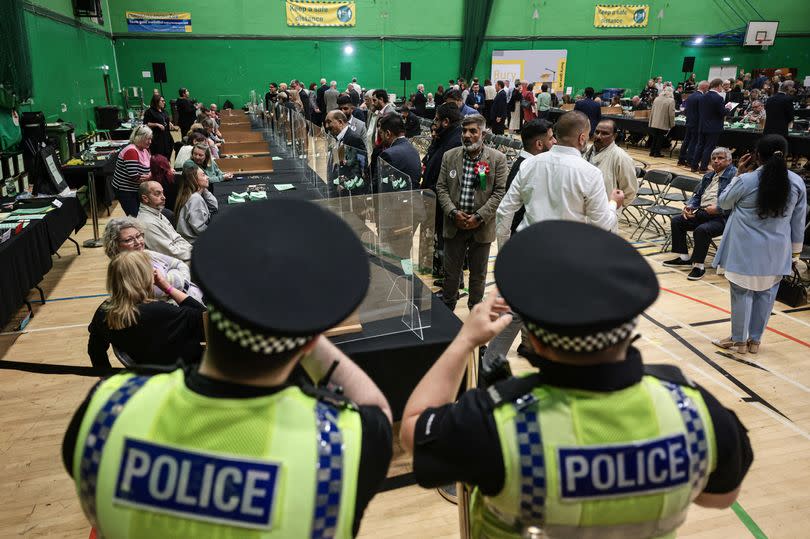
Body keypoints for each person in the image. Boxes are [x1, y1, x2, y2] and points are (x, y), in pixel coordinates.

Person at [400, 220, 754, 538]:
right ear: (629, 328)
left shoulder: (497, 426)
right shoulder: (696, 413)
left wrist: (465, 340)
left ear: (535, 339)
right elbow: (721, 497)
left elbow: (414, 429)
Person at [64, 200, 393, 537]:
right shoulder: (339, 444)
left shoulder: (108, 409)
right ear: (308, 343)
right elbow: (378, 411)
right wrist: (305, 324)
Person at [712, 135, 807, 353]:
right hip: (776, 252)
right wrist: (795, 254)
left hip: (743, 251)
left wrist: (738, 173)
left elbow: (724, 203)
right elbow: (798, 221)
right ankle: (755, 342)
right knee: (766, 295)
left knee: (741, 295)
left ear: (756, 156)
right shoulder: (797, 182)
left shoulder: (747, 180)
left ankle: (739, 341)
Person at [480, 119, 556, 364]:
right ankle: (489, 356)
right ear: (539, 143)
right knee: (514, 308)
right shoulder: (529, 166)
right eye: (551, 138)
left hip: (523, 247)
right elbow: (509, 212)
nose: (554, 142)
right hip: (523, 247)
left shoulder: (529, 164)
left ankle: (524, 346)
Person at [496, 111, 624, 241]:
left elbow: (504, 210)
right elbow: (602, 224)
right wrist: (613, 203)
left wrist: (504, 247)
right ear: (582, 138)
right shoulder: (591, 173)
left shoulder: (529, 164)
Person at [86, 250, 206, 369]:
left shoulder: (104, 311)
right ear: (146, 276)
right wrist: (167, 287)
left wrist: (106, 377)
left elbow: (95, 350)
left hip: (146, 374)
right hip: (189, 372)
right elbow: (207, 321)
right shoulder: (162, 311)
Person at [436, 114, 507, 311]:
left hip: (481, 226)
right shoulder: (450, 156)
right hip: (454, 224)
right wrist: (453, 212)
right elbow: (441, 187)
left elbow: (499, 192)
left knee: (478, 275)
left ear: (483, 134)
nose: (467, 135)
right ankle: (447, 309)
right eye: (464, 131)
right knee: (450, 273)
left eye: (473, 131)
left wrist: (479, 216)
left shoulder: (497, 159)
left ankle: (475, 310)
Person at [664, 147, 737, 280]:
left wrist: (719, 209)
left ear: (729, 160)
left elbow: (735, 201)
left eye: (720, 158)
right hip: (703, 212)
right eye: (713, 158)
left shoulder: (735, 176)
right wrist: (690, 206)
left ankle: (698, 266)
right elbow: (697, 195)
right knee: (677, 221)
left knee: (701, 230)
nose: (716, 161)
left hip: (722, 217)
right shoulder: (709, 175)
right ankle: (684, 257)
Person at [103, 216, 202, 303]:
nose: (138, 242)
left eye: (139, 236)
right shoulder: (126, 269)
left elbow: (180, 264)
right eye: (129, 240)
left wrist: (170, 279)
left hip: (192, 295)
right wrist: (178, 277)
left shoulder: (146, 253)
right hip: (179, 308)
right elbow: (158, 291)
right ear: (115, 245)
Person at [584, 119, 638, 207]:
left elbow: (630, 191)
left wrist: (613, 208)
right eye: (597, 132)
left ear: (614, 136)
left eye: (604, 133)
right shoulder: (585, 150)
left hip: (605, 212)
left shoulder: (621, 157)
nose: (598, 136)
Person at [137, 180, 194, 263]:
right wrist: (193, 252)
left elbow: (177, 238)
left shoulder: (157, 212)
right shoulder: (147, 223)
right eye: (157, 194)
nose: (163, 197)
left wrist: (191, 249)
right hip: (172, 263)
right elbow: (170, 252)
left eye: (162, 193)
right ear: (145, 198)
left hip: (181, 253)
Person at [324, 110, 367, 196]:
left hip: (348, 192)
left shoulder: (353, 138)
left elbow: (361, 166)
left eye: (329, 122)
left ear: (340, 122)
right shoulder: (337, 137)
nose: (326, 126)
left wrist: (347, 185)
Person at [112, 126, 152, 217]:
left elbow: (150, 168)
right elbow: (135, 177)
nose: (150, 141)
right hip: (125, 190)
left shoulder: (144, 149)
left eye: (150, 139)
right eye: (147, 139)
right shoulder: (131, 151)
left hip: (136, 189)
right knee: (134, 216)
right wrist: (150, 176)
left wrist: (150, 175)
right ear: (139, 138)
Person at [174, 162, 218, 243]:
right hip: (194, 243)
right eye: (203, 175)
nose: (207, 177)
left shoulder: (193, 194)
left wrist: (204, 189)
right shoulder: (195, 199)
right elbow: (199, 228)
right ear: (194, 179)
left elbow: (214, 207)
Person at [691, 78, 727, 173]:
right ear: (718, 85)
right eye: (721, 86)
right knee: (709, 148)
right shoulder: (719, 98)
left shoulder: (702, 96)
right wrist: (728, 108)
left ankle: (694, 166)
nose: (722, 88)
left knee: (699, 146)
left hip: (702, 125)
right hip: (713, 127)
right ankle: (703, 168)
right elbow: (722, 112)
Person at [377, 112, 422, 184]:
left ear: (388, 134)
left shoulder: (388, 154)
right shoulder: (414, 150)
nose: (380, 137)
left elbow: (382, 184)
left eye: (381, 133)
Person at [678, 81, 708, 166]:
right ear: (704, 87)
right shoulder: (701, 97)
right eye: (707, 87)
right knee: (693, 141)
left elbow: (685, 111)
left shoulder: (690, 96)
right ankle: (690, 160)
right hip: (696, 123)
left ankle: (681, 159)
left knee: (686, 140)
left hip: (689, 121)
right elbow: (702, 112)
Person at [142, 94, 174, 160]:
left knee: (168, 153)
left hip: (166, 135)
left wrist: (169, 123)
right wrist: (156, 124)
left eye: (164, 101)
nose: (164, 102)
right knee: (159, 155)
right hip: (157, 137)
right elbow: (145, 124)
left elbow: (164, 119)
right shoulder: (150, 111)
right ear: (156, 102)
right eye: (162, 101)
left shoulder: (164, 111)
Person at [648, 86, 676, 157]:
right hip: (663, 122)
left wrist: (651, 121)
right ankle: (657, 153)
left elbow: (652, 111)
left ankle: (652, 152)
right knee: (660, 138)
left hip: (654, 122)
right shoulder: (671, 100)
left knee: (655, 137)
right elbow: (671, 114)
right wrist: (672, 124)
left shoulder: (657, 99)